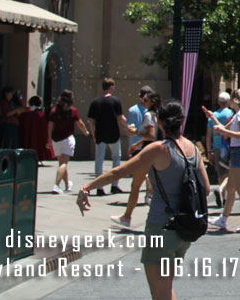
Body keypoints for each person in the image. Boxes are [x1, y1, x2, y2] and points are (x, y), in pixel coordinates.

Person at [77, 100, 209, 300]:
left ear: (160, 122)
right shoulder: (193, 149)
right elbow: (206, 189)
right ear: (181, 122)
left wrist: (87, 187)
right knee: (166, 288)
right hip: (184, 228)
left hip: (161, 227)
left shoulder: (159, 149)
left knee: (159, 293)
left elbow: (118, 172)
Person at [203, 89, 240, 233]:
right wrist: (212, 117)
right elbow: (221, 129)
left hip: (239, 152)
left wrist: (225, 132)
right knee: (231, 188)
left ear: (234, 99)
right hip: (236, 152)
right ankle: (224, 218)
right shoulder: (239, 114)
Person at [112, 92, 161, 229]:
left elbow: (150, 136)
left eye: (145, 100)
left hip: (148, 153)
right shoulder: (158, 114)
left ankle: (127, 217)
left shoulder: (147, 115)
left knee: (136, 186)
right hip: (158, 151)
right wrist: (137, 143)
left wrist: (135, 134)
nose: (143, 101)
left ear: (151, 102)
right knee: (154, 185)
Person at [87, 78, 132, 196]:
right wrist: (129, 127)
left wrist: (93, 134)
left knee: (99, 160)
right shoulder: (115, 100)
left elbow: (90, 121)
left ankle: (99, 188)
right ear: (111, 87)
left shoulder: (95, 101)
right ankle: (114, 185)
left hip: (100, 134)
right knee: (116, 158)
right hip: (113, 134)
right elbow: (121, 118)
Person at [47, 90, 90, 194]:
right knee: (64, 163)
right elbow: (80, 123)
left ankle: (67, 184)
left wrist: (49, 140)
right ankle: (56, 185)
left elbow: (50, 126)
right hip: (67, 139)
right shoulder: (72, 111)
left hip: (56, 139)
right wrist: (85, 131)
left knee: (61, 163)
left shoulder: (54, 111)